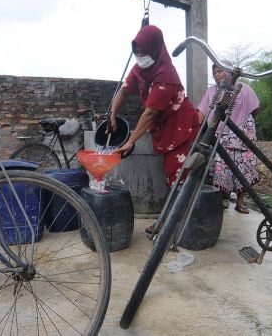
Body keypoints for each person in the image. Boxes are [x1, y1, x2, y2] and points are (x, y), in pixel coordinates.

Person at [107, 25, 200, 234]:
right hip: (164, 127)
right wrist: (112, 114)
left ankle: (178, 226)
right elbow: (124, 90)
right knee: (172, 177)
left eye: (144, 52)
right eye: (137, 52)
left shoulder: (165, 73)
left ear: (156, 49)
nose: (140, 57)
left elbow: (149, 113)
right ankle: (171, 222)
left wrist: (131, 141)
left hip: (180, 127)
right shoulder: (140, 69)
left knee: (178, 177)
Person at [197, 63, 260, 214]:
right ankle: (223, 197)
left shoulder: (243, 88)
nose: (217, 75)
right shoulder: (211, 91)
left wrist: (244, 123)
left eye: (220, 71)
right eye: (215, 72)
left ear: (229, 72)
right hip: (220, 134)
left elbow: (255, 108)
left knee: (244, 167)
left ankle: (240, 201)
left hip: (242, 133)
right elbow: (201, 113)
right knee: (221, 167)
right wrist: (195, 130)